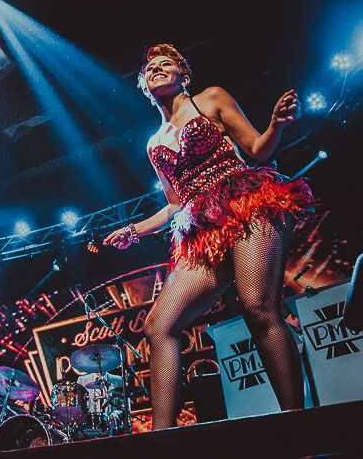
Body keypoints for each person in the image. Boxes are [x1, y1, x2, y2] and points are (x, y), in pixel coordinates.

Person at [103, 44, 316, 429]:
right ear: (144, 87)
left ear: (184, 76)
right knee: (159, 325)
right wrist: (134, 230)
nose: (157, 68)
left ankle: (296, 424)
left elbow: (257, 150)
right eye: (150, 68)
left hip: (245, 202)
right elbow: (174, 204)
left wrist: (276, 124)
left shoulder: (210, 100)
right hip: (201, 228)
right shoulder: (154, 144)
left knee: (257, 307)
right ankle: (163, 440)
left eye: (166, 64)